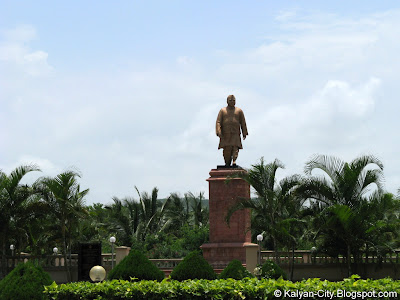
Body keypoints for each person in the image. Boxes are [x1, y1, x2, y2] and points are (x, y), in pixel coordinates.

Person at [216, 95, 248, 167]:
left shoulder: (239, 111)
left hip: (235, 133)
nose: (232, 102)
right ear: (227, 101)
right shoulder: (223, 111)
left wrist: (244, 132)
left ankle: (234, 160)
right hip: (225, 134)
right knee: (227, 149)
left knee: (235, 147)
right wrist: (219, 131)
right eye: (230, 100)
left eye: (233, 100)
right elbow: (218, 122)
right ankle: (227, 163)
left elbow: (243, 122)